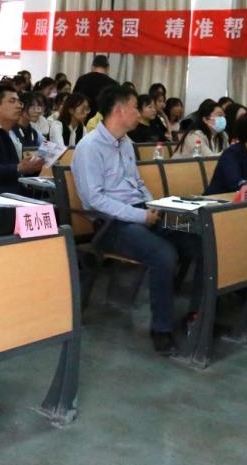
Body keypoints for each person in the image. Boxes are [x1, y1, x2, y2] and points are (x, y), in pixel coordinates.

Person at [71, 85, 202, 355]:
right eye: (134, 107)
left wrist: (152, 205)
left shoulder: (126, 143)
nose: (139, 112)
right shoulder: (89, 148)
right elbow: (94, 200)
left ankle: (198, 316)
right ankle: (161, 329)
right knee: (163, 253)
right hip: (111, 224)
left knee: (199, 241)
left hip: (141, 213)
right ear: (119, 110)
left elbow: (137, 182)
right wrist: (140, 215)